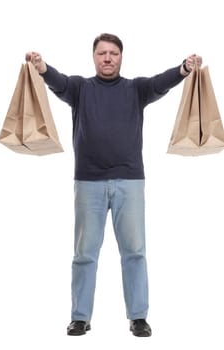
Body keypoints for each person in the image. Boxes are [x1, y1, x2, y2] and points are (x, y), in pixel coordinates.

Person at [26, 33, 202, 337]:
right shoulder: (80, 88)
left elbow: (162, 81)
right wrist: (41, 67)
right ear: (94, 57)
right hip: (88, 183)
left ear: (121, 57)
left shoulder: (136, 89)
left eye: (113, 53)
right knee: (84, 253)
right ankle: (80, 317)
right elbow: (59, 82)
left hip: (130, 182)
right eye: (102, 53)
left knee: (134, 251)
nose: (107, 58)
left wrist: (184, 68)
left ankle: (138, 317)